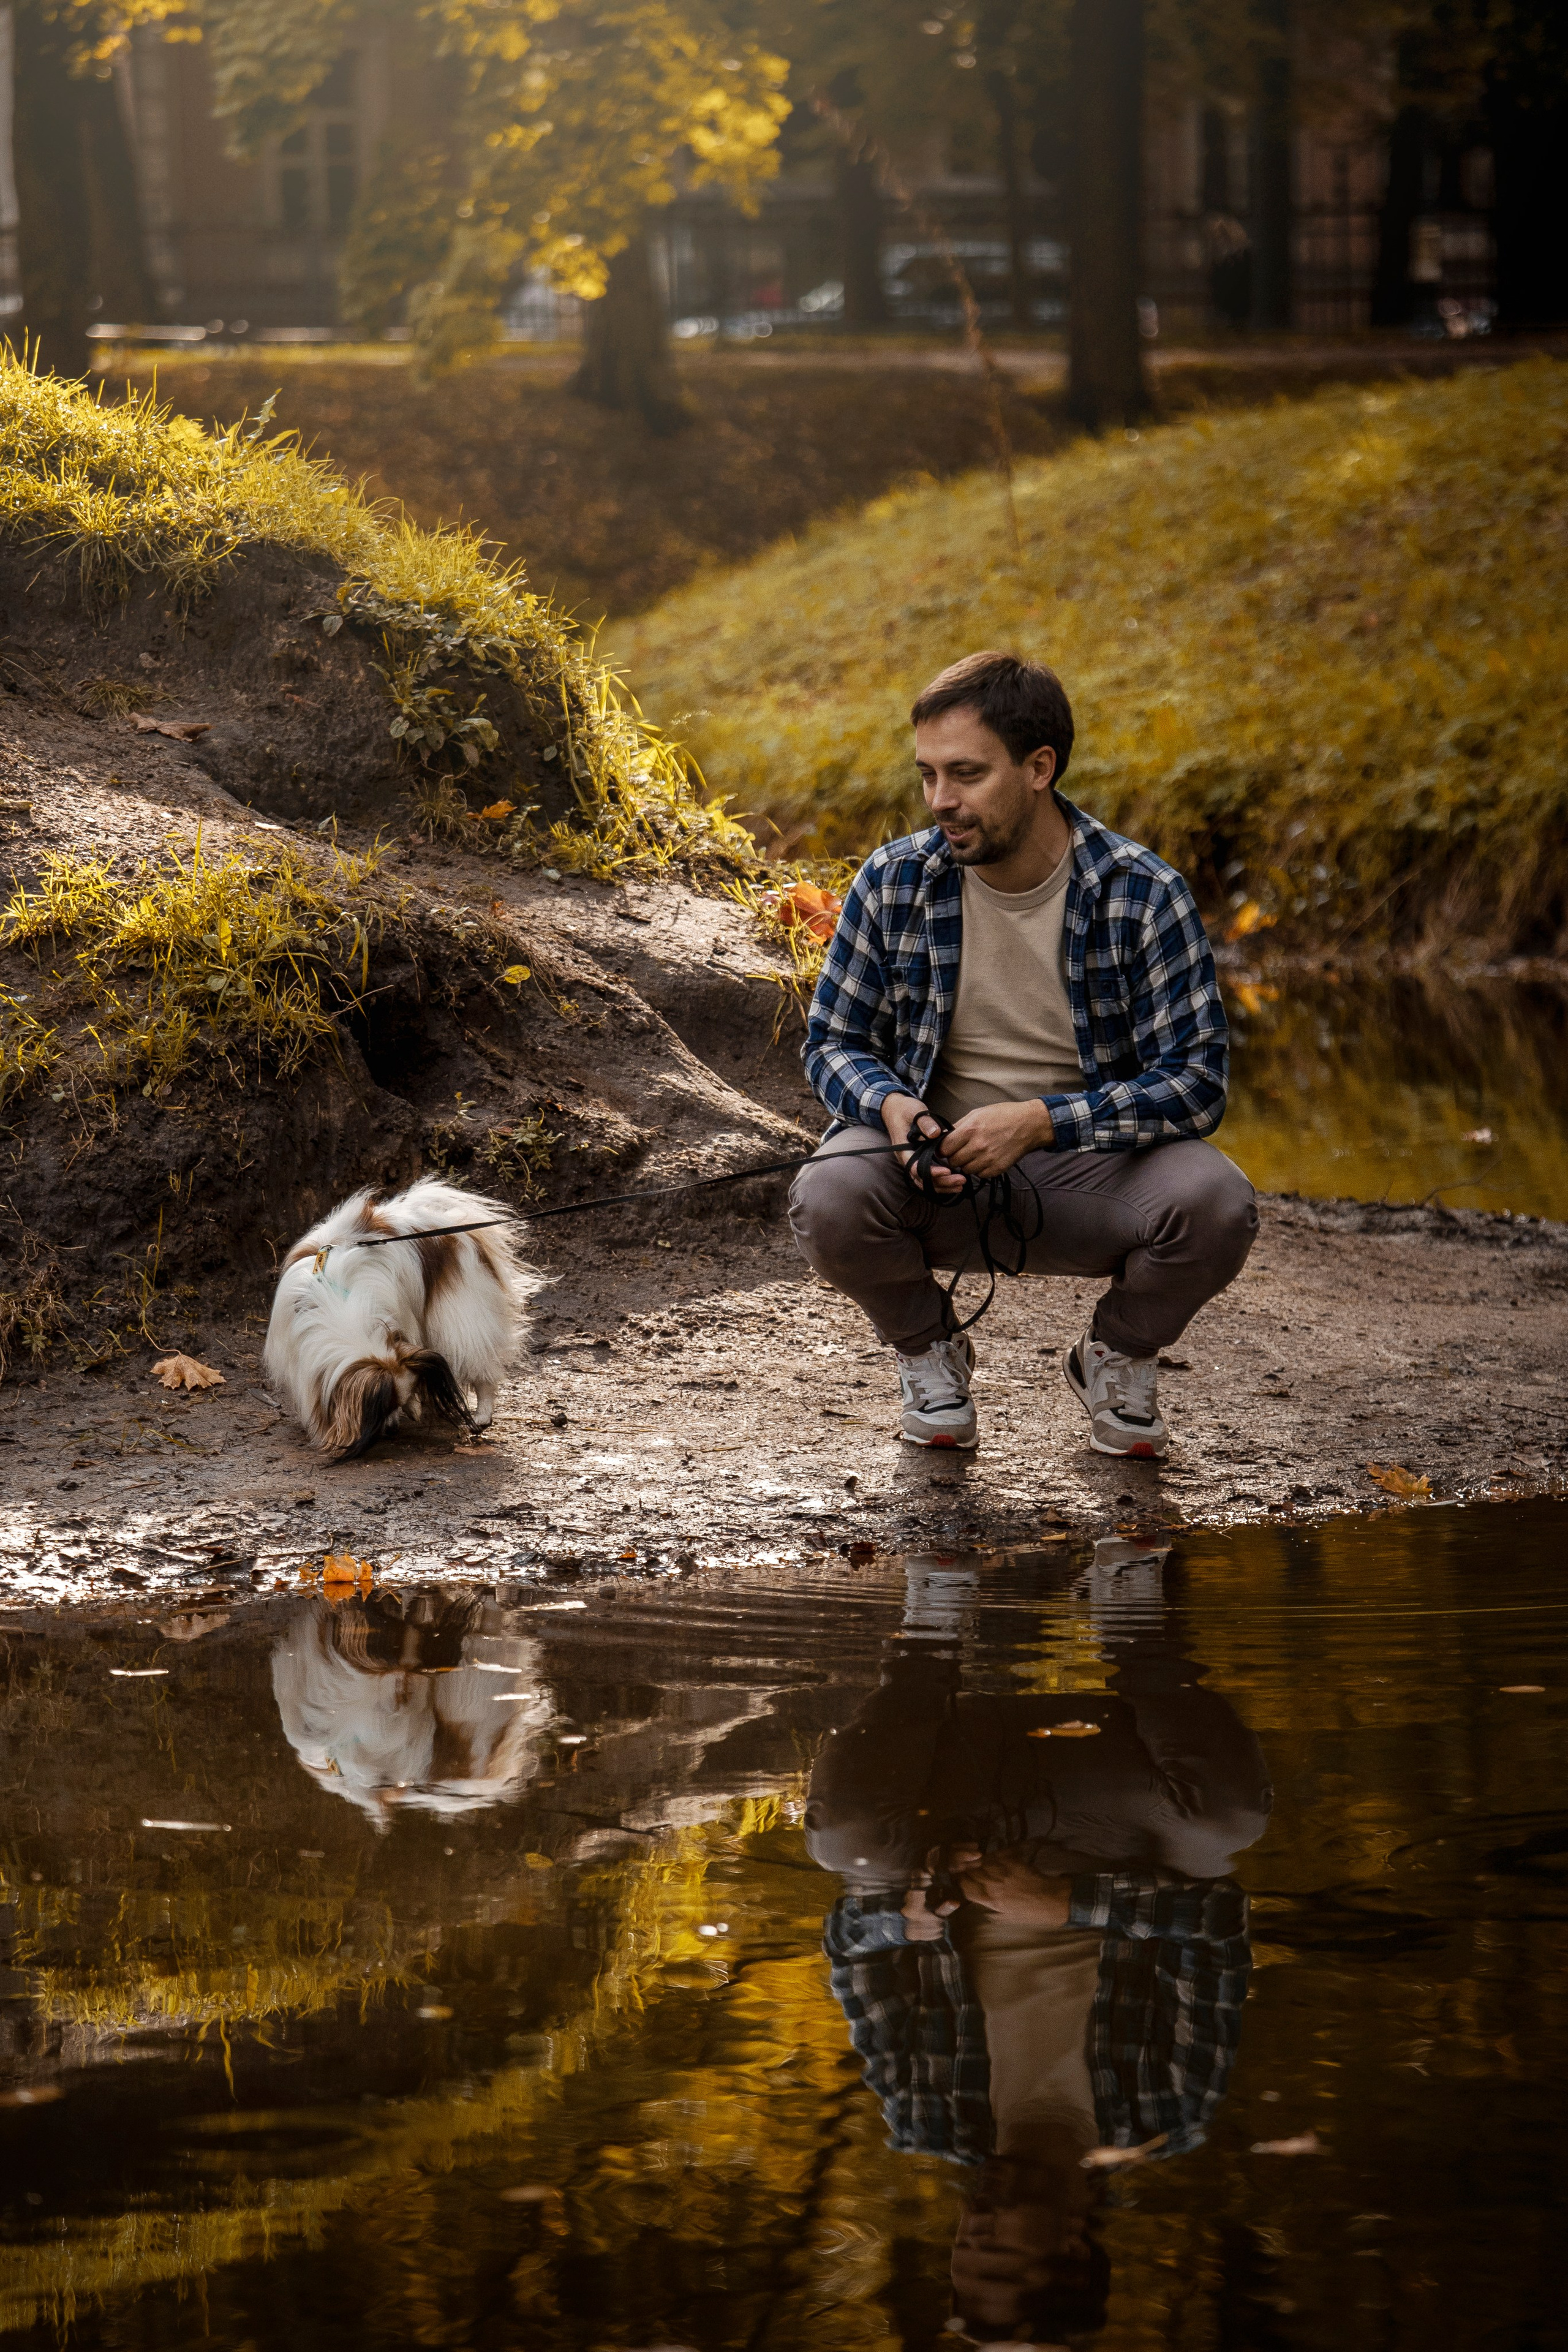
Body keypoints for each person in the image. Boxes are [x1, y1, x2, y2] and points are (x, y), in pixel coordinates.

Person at [788, 649, 1257, 1456]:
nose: (942, 801)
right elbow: (834, 1042)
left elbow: (1196, 1083)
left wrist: (1042, 1123)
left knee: (1218, 1204)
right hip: (933, 1175)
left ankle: (1115, 1354)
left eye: (967, 774)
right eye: (929, 775)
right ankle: (930, 1349)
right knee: (826, 1193)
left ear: (1040, 767)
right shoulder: (894, 881)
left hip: (1090, 1172)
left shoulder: (1143, 894)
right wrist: (897, 1110)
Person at [807, 1542, 1270, 2345]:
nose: (971, 2236)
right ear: (1071, 2250)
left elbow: (851, 1947)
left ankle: (933, 1622)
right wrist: (1067, 1904)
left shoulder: (923, 2118)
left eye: (963, 2257)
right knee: (1227, 1828)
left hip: (960, 1800)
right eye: (996, 2259)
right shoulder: (1169, 2111)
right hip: (1112, 1807)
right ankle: (1131, 1610)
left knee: (848, 1850)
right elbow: (1219, 1926)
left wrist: (912, 1916)